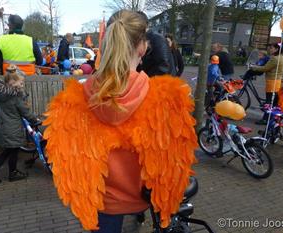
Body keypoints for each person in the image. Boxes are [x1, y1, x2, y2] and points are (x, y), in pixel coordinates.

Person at [43, 10, 197, 233]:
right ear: (143, 47)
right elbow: (175, 159)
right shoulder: (164, 99)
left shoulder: (75, 99)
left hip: (104, 200)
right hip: (148, 196)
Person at [0, 65, 39, 185]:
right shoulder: (14, 96)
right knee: (10, 151)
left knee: (10, 151)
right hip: (12, 128)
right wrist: (34, 120)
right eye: (20, 83)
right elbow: (24, 111)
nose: (22, 86)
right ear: (12, 81)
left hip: (3, 126)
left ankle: (9, 172)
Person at [251, 43, 283, 125]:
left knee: (269, 102)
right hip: (277, 81)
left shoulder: (275, 58)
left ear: (276, 49)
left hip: (272, 82)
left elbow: (265, 68)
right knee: (274, 102)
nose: (270, 49)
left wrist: (253, 67)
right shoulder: (282, 57)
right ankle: (273, 119)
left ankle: (265, 119)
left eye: (272, 48)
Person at [136, 12, 176, 77]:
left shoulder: (157, 39)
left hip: (160, 84)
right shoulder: (143, 39)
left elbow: (163, 67)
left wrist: (144, 80)